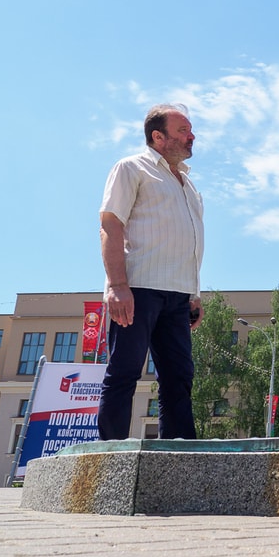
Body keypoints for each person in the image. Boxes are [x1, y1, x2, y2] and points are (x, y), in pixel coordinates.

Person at [97, 103, 205, 440]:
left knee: (178, 377)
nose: (192, 136)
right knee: (125, 371)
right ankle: (109, 454)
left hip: (178, 296)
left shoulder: (187, 183)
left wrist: (194, 294)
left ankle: (181, 456)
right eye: (183, 131)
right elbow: (110, 224)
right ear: (158, 136)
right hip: (138, 288)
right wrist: (117, 284)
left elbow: (190, 239)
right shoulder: (132, 168)